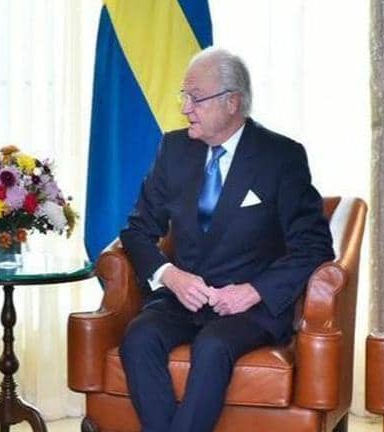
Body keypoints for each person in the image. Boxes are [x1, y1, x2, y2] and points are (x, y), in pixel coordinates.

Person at [118, 47, 334, 432]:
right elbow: (137, 230)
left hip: (249, 306)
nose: (185, 108)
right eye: (184, 96)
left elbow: (314, 246)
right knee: (138, 338)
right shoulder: (174, 149)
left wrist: (253, 291)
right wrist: (170, 276)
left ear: (232, 102)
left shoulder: (280, 156)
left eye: (196, 97)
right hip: (184, 297)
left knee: (213, 347)